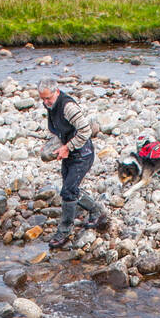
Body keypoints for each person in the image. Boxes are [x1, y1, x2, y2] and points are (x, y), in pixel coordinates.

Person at [37, 78, 109, 248]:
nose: (46, 103)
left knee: (68, 191)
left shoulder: (68, 107)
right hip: (69, 152)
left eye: (48, 98)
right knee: (70, 189)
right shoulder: (51, 106)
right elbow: (60, 130)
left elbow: (86, 130)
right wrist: (52, 145)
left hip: (82, 154)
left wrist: (68, 147)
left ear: (57, 91)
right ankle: (97, 211)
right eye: (43, 99)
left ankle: (64, 230)